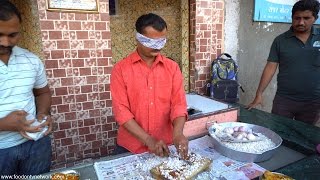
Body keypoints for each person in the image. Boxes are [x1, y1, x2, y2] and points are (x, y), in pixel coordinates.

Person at [111, 13, 188, 158]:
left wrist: (178, 134)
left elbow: (178, 104)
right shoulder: (120, 70)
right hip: (130, 147)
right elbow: (121, 112)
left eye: (161, 41)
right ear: (138, 38)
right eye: (152, 42)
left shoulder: (172, 68)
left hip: (166, 145)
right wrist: (148, 140)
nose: (157, 47)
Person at [0, 0, 52, 175]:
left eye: (12, 35)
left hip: (35, 144)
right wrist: (3, 124)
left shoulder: (31, 60)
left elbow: (42, 92)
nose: (5, 42)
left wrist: (43, 114)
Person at [247, 0, 320, 125]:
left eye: (306, 18)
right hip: (284, 101)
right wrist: (259, 94)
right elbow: (270, 67)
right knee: (279, 133)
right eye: (297, 18)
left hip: (313, 102)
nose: (301, 22)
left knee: (305, 139)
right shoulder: (280, 41)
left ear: (315, 18)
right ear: (292, 18)